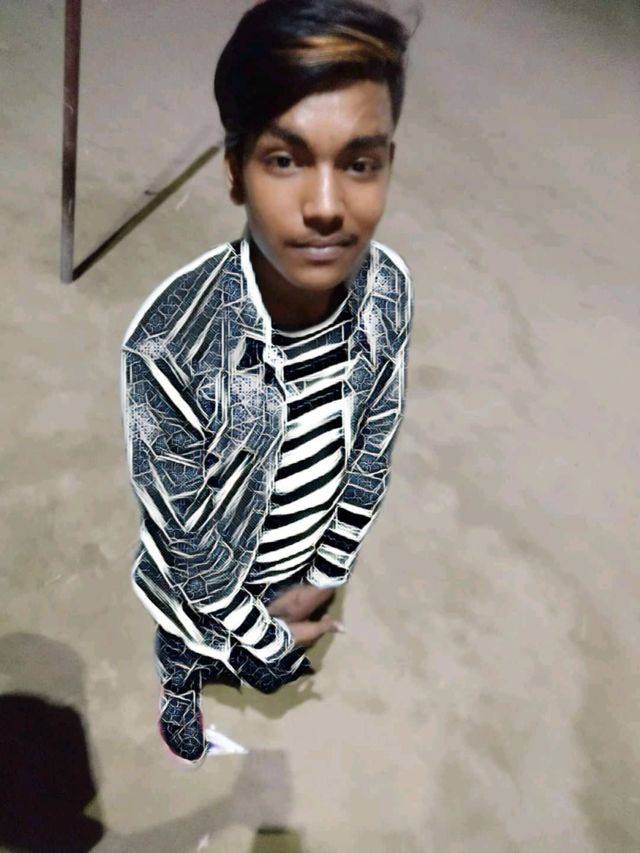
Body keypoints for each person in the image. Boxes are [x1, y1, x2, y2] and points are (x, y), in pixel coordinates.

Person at [120, 0, 417, 767]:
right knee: (186, 643)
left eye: (360, 162)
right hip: (207, 588)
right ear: (233, 170)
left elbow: (373, 447)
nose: (327, 208)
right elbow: (192, 552)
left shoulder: (387, 290)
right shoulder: (172, 347)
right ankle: (180, 698)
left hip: (297, 561)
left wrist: (324, 575)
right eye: (285, 159)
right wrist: (269, 638)